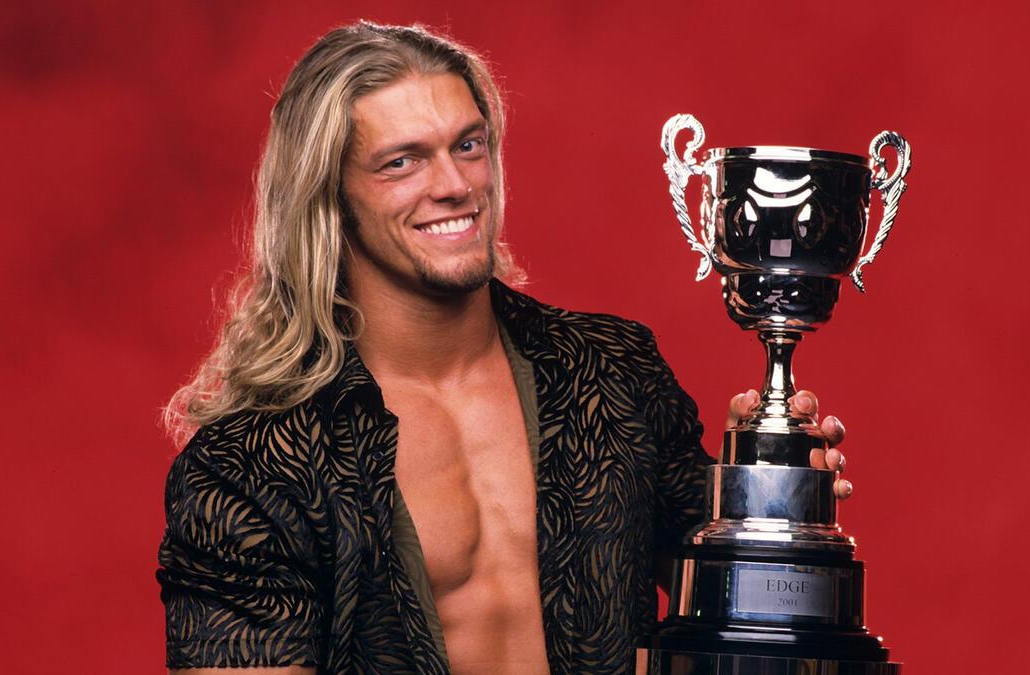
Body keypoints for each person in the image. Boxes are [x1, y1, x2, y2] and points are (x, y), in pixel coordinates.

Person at [156, 21, 849, 675]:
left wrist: (765, 493)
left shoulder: (613, 372)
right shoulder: (249, 467)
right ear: (329, 198)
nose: (455, 185)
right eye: (402, 162)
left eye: (468, 144)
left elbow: (734, 617)